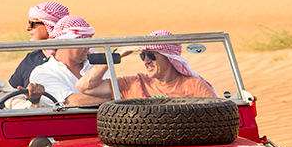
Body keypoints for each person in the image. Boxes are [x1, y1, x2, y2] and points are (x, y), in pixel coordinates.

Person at [74, 30, 218, 100]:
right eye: (143, 55)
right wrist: (114, 56)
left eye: (152, 56)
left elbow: (218, 116)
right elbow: (84, 86)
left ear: (170, 58)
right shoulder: (134, 84)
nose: (146, 61)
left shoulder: (194, 86)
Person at [27, 15, 97, 105]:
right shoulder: (43, 73)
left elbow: (114, 90)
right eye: (82, 42)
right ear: (64, 43)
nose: (88, 47)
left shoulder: (94, 66)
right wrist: (111, 102)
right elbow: (71, 102)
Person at [9, 1, 70, 88]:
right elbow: (11, 92)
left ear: (51, 25)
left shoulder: (73, 60)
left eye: (33, 24)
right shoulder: (30, 59)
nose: (28, 28)